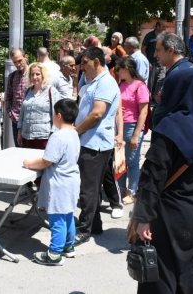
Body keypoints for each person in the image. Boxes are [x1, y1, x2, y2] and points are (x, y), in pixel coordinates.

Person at [132, 31, 193, 294]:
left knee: (162, 274)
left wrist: (142, 219)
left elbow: (152, 178)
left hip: (169, 214)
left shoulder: (168, 130)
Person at [23, 98, 81, 266]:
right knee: (68, 215)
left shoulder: (58, 136)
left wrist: (28, 164)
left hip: (59, 184)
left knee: (57, 220)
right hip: (71, 181)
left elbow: (46, 161)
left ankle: (54, 254)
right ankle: (69, 247)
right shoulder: (74, 133)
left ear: (59, 115)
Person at [73, 47, 120, 246]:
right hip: (90, 142)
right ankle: (95, 225)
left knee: (88, 190)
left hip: (95, 144)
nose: (81, 67)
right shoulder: (94, 82)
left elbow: (97, 114)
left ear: (97, 62)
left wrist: (75, 131)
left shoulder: (106, 83)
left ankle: (83, 230)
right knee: (92, 188)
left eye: (85, 62)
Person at [116, 57, 150, 204]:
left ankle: (133, 191)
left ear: (127, 69)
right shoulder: (121, 85)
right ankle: (121, 188)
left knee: (132, 161)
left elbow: (143, 112)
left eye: (119, 69)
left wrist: (137, 134)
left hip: (133, 126)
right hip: (121, 126)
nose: (117, 71)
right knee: (120, 160)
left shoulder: (140, 86)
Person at [17, 63, 61, 149]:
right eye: (32, 74)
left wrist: (54, 135)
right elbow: (22, 113)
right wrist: (19, 131)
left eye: (37, 74)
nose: (34, 77)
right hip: (27, 136)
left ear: (43, 75)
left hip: (44, 138)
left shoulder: (51, 91)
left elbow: (56, 115)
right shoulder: (27, 91)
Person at [5, 48, 29, 146]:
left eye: (20, 61)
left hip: (30, 119)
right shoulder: (12, 76)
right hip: (16, 119)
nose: (18, 64)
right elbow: (8, 97)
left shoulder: (34, 74)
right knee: (19, 149)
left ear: (25, 57)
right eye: (15, 62)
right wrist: (10, 113)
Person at [142, 20, 166, 103]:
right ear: (157, 26)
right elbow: (143, 49)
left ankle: (157, 98)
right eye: (163, 26)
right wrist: (147, 61)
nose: (164, 28)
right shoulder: (149, 36)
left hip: (162, 63)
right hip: (152, 63)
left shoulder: (164, 37)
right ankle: (149, 98)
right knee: (151, 82)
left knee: (161, 80)